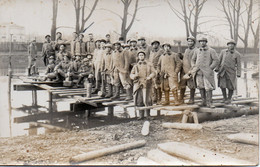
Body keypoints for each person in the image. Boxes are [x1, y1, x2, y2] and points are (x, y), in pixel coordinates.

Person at [191, 37, 219, 108]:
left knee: (208, 87)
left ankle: (209, 102)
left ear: (206, 42)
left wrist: (210, 68)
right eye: (201, 41)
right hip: (198, 72)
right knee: (200, 86)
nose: (202, 43)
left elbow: (216, 60)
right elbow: (193, 60)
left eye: (204, 41)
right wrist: (194, 66)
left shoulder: (211, 50)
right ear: (199, 42)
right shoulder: (197, 51)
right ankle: (203, 101)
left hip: (207, 72)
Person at [130, 51, 155, 119]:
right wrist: (134, 76)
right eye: (140, 55)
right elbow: (131, 74)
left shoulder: (149, 65)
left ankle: (148, 115)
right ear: (138, 57)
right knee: (139, 99)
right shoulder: (135, 66)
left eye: (142, 55)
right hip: (138, 84)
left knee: (147, 100)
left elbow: (154, 72)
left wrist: (149, 77)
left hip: (147, 84)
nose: (141, 56)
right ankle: (141, 115)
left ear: (144, 56)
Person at [215, 39, 241, 104]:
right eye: (229, 44)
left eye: (232, 44)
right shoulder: (223, 52)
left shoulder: (237, 54)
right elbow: (219, 60)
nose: (230, 45)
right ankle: (224, 98)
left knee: (231, 86)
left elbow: (239, 65)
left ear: (234, 46)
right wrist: (217, 68)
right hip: (222, 71)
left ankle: (229, 98)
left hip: (231, 72)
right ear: (227, 45)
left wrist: (238, 73)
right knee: (222, 85)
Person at [179, 36, 197, 104]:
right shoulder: (186, 50)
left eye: (191, 41)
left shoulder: (196, 50)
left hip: (191, 70)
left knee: (192, 85)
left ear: (194, 42)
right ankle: (181, 99)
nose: (190, 43)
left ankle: (191, 99)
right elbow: (185, 58)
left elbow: (195, 62)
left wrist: (192, 71)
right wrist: (181, 56)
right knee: (182, 84)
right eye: (189, 41)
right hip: (183, 70)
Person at [149, 40, 164, 104]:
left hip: (159, 70)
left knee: (159, 85)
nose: (155, 45)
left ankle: (159, 99)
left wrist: (159, 70)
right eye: (153, 44)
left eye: (156, 44)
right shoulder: (151, 52)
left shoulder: (161, 51)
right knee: (153, 84)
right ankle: (154, 97)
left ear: (158, 45)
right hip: (152, 70)